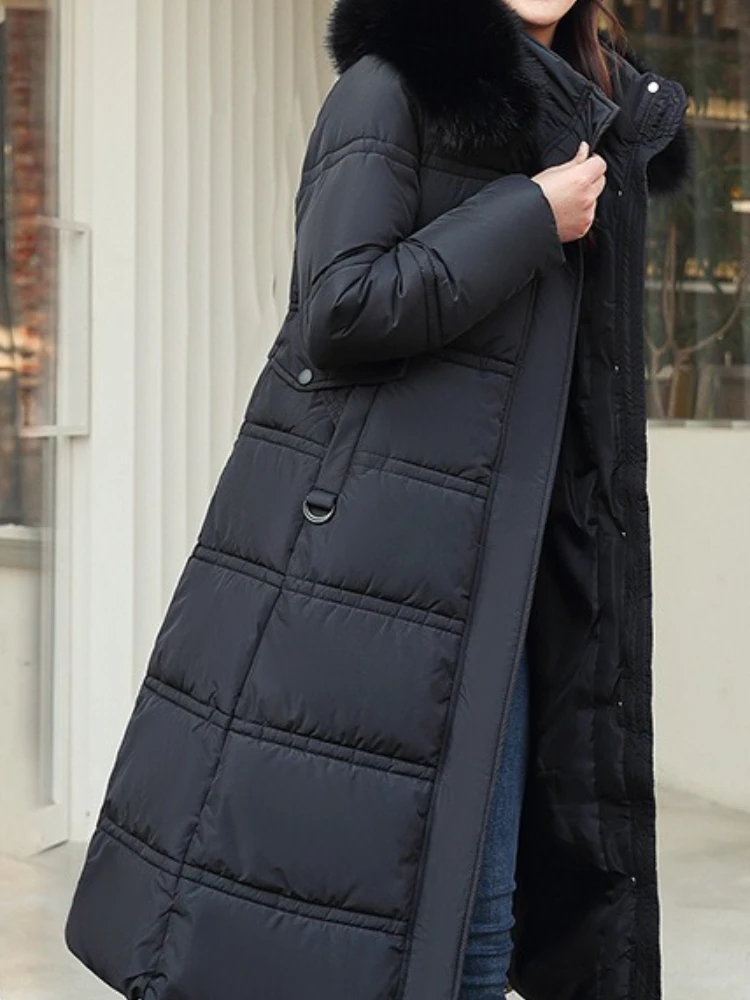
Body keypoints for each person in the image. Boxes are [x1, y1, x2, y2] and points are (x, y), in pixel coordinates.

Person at [65, 2, 690, 999]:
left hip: (521, 575)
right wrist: (528, 214)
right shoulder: (391, 85)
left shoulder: (600, 112)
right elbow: (341, 303)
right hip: (384, 567)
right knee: (376, 927)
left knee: (481, 923)